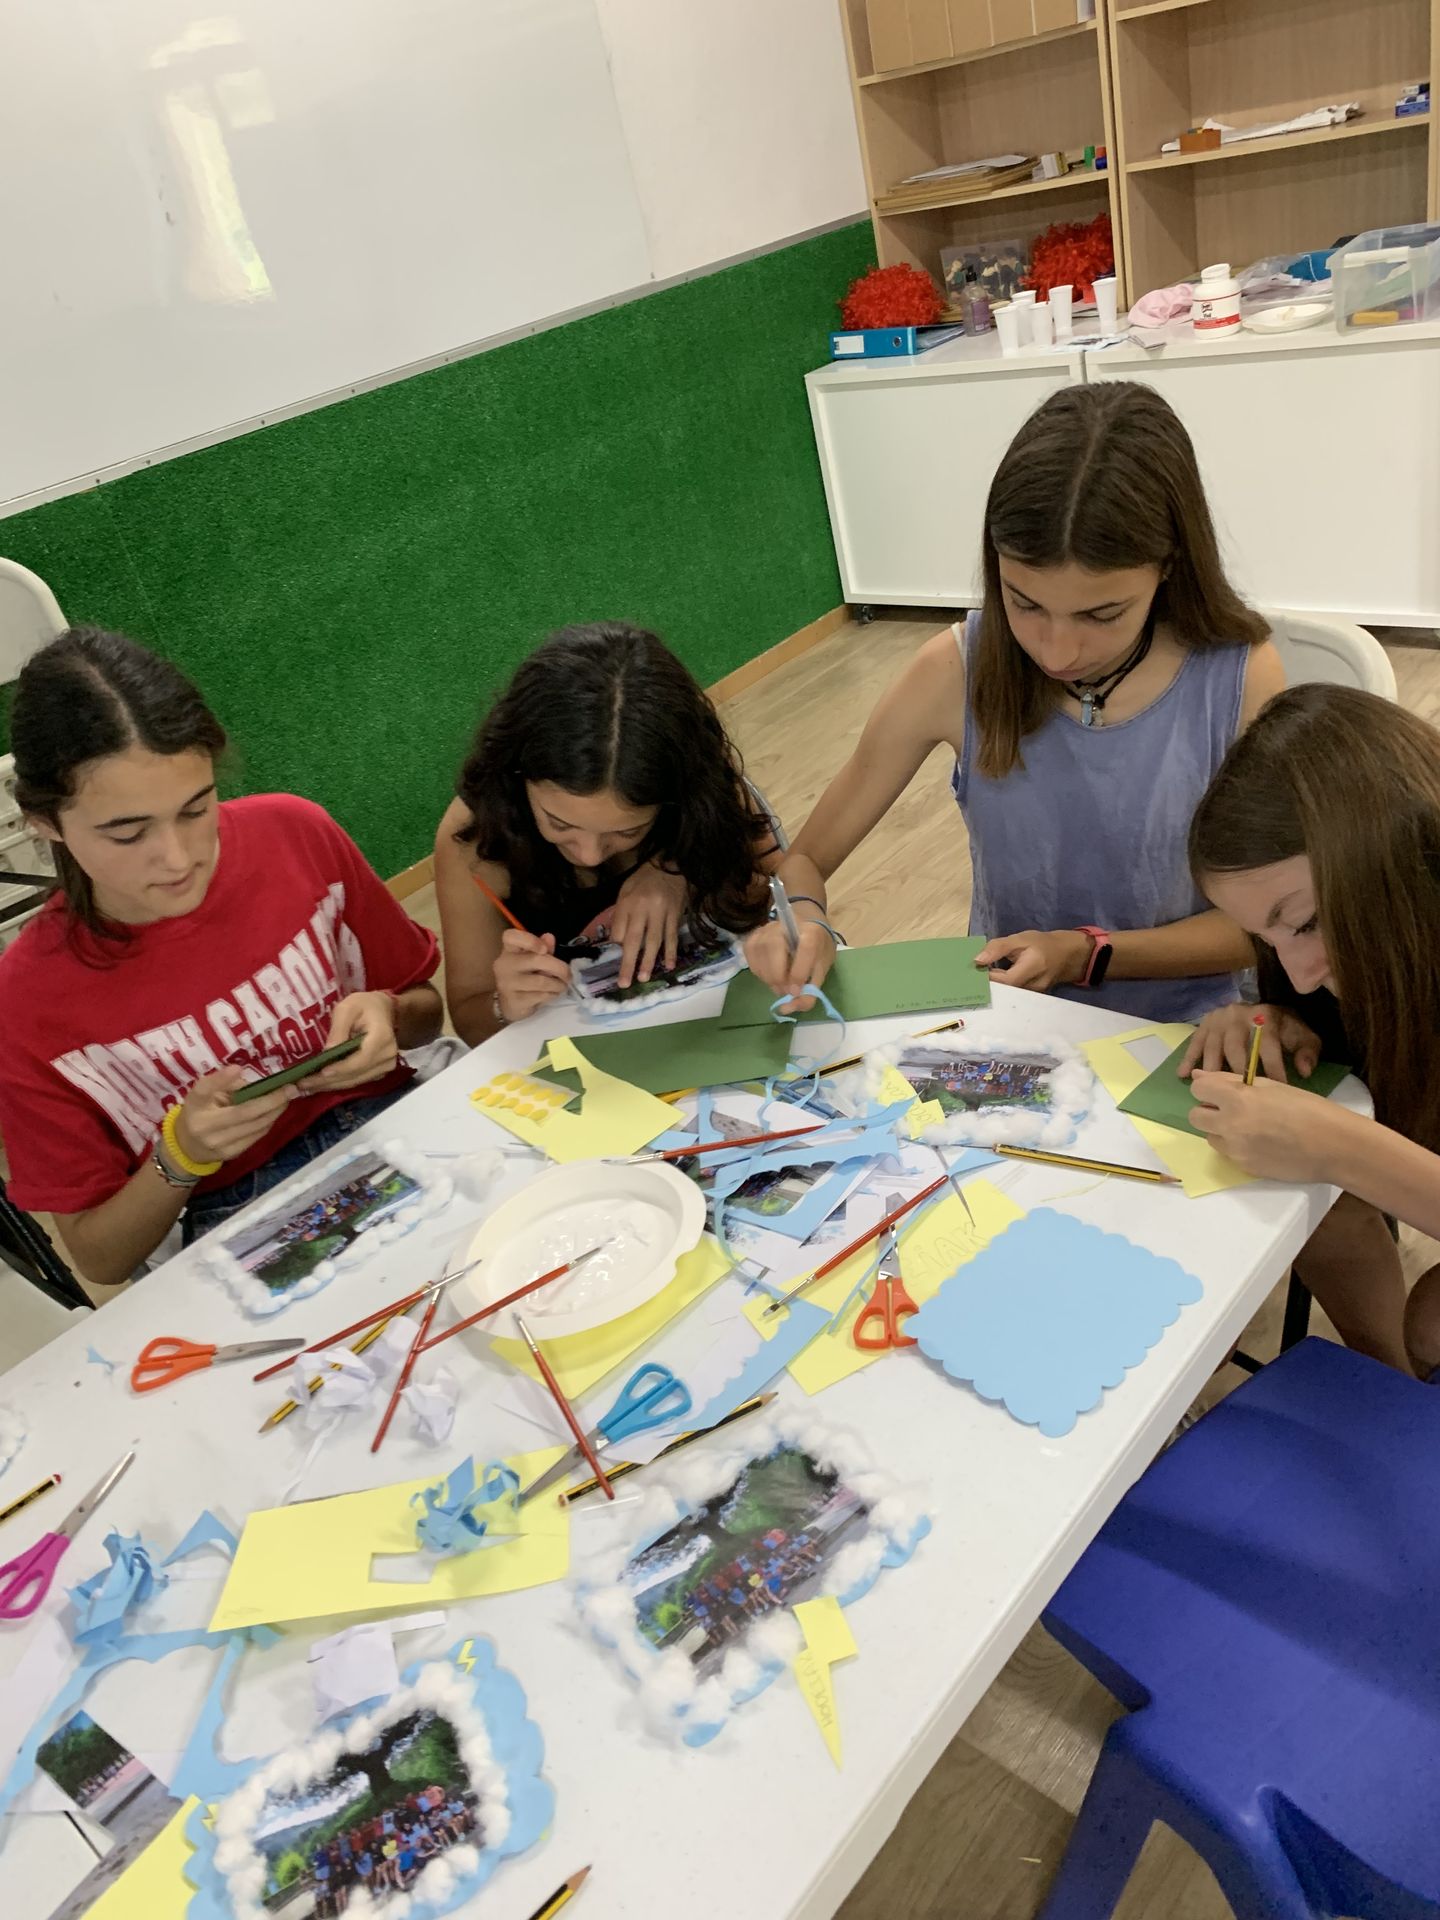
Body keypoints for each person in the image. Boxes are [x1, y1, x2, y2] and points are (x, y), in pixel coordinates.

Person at [746, 383, 1285, 1022]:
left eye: (1102, 614)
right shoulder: (954, 670)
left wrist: (1085, 954)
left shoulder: (1241, 679)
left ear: (1169, 565)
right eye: (1024, 602)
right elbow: (806, 859)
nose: (1056, 651)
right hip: (1011, 1024)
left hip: (1196, 1029)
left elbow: (1271, 927)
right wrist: (803, 916)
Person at [0, 628, 442, 1286]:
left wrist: (389, 1014)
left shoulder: (296, 834)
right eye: (128, 833)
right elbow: (101, 1258)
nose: (177, 858)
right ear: (45, 824)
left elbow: (427, 1015)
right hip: (236, 1212)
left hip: (395, 1128)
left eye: (195, 809)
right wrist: (180, 1156)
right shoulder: (28, 1000)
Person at [1180, 683, 1440, 1376]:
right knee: (1321, 1207)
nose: (1298, 974)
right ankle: (1390, 1389)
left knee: (1432, 1324)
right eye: (1265, 939)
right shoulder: (1365, 958)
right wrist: (1274, 1021)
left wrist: (1342, 1146)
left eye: (1306, 922)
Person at [434, 621, 780, 1045]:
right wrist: (503, 1004)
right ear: (517, 775)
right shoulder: (475, 837)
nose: (590, 854)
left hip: (723, 1029)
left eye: (629, 830)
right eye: (560, 824)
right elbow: (470, 1017)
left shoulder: (702, 792)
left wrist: (681, 870)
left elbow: (786, 898)